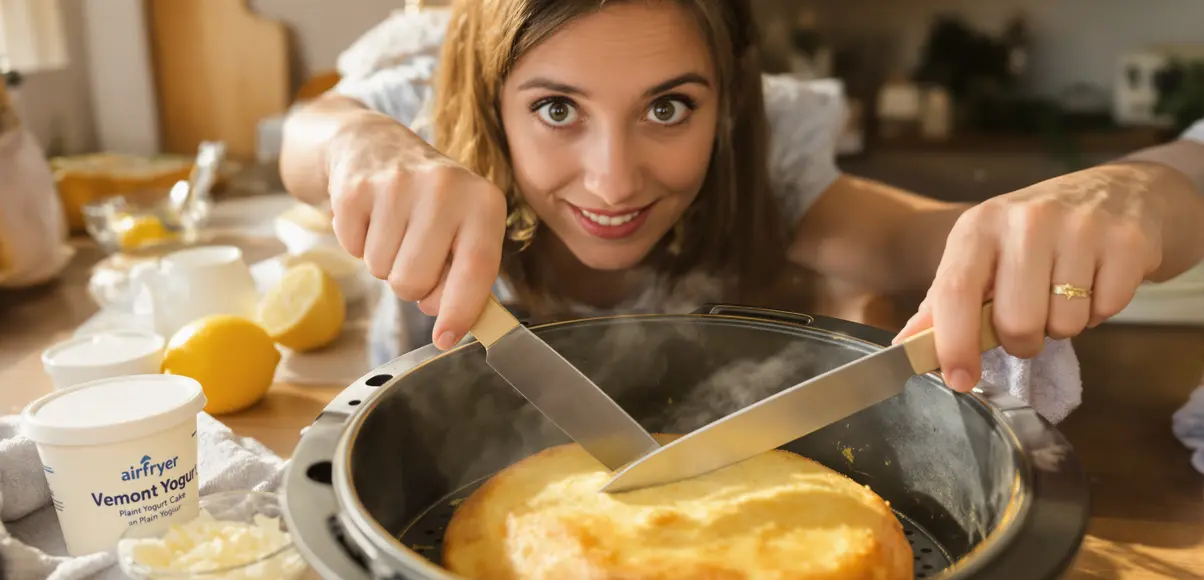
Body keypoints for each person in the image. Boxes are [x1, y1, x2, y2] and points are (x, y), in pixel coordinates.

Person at [280, 0, 1204, 395]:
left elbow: (929, 244)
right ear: (486, 103)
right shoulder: (428, 123)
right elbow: (309, 136)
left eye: (668, 106)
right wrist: (360, 146)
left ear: (728, 103)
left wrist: (1138, 193)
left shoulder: (769, 166)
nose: (613, 179)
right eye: (557, 108)